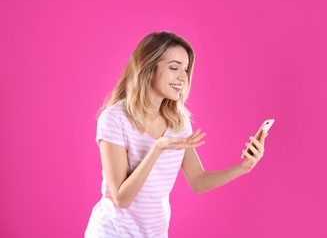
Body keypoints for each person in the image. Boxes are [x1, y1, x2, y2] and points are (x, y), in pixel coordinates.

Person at [85, 31, 267, 237]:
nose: (183, 77)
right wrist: (157, 148)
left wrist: (244, 167)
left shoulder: (178, 122)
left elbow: (198, 181)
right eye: (174, 68)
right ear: (148, 68)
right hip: (113, 232)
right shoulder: (115, 119)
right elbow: (122, 199)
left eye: (186, 69)